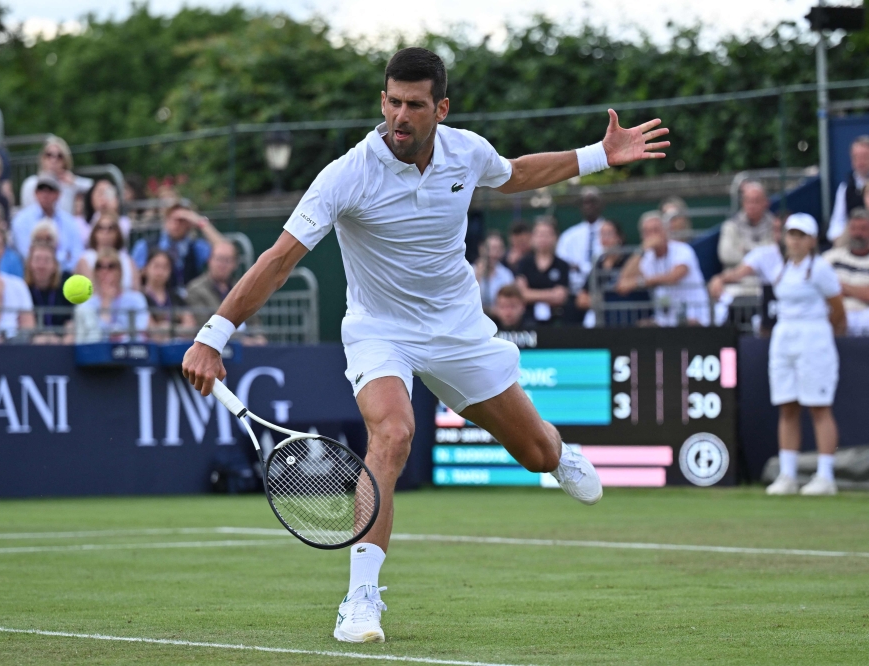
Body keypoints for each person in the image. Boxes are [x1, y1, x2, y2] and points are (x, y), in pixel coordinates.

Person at [181, 47, 668, 643]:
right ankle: (360, 599)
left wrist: (598, 155)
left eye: (414, 105)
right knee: (392, 434)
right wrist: (213, 334)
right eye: (392, 102)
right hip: (379, 330)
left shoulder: (468, 151)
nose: (400, 117)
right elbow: (279, 260)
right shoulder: (346, 174)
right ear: (381, 101)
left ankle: (557, 453)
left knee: (538, 454)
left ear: (440, 107)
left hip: (459, 331)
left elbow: (515, 174)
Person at [763, 214, 847, 496]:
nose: (795, 240)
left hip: (814, 337)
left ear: (812, 241)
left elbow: (838, 309)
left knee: (819, 406)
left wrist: (826, 334)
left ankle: (825, 477)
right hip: (784, 337)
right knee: (787, 406)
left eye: (801, 235)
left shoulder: (821, 269)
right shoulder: (779, 267)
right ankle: (788, 475)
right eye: (791, 234)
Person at [616, 210, 710, 326]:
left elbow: (673, 277)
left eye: (656, 230)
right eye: (647, 232)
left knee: (686, 325)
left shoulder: (683, 250)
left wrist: (641, 282)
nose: (652, 236)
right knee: (642, 326)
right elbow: (622, 284)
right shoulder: (646, 257)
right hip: (664, 321)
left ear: (666, 231)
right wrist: (641, 250)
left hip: (693, 316)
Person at [709, 215, 785, 332]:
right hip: (772, 311)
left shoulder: (813, 264)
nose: (779, 235)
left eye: (783, 230)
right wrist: (719, 279)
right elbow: (737, 273)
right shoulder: (763, 254)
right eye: (775, 230)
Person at [131, 202, 224, 297]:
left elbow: (224, 249)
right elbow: (135, 277)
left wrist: (199, 221)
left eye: (182, 220)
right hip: (156, 300)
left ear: (189, 223)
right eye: (172, 219)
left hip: (190, 300)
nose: (176, 224)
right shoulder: (145, 245)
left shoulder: (195, 246)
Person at [185, 240, 266, 344]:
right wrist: (240, 340)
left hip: (249, 346)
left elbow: (254, 320)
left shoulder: (242, 288)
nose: (222, 265)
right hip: (215, 346)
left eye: (228, 260)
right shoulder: (195, 289)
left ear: (235, 264)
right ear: (209, 260)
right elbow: (205, 324)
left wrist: (259, 337)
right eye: (219, 259)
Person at [11, 172, 85, 272]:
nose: (45, 194)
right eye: (41, 189)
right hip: (32, 274)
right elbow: (26, 254)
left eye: (50, 190)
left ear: (58, 194)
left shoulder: (69, 221)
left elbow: (77, 254)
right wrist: (63, 257)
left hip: (65, 274)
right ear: (35, 193)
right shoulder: (21, 220)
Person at [74, 247, 149, 343]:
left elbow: (140, 335)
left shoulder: (136, 299)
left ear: (120, 271)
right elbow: (91, 342)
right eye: (99, 266)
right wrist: (106, 304)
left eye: (111, 266)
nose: (104, 271)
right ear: (95, 272)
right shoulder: (85, 306)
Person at [575, 219, 634, 327]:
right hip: (605, 323)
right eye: (602, 235)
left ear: (619, 237)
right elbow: (582, 298)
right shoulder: (598, 263)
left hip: (630, 320)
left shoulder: (630, 260)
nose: (605, 239)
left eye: (609, 234)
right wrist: (601, 303)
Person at [822, 208, 869, 336]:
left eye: (863, 229)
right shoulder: (831, 257)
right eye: (854, 228)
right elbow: (820, 289)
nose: (858, 234)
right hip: (835, 314)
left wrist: (842, 287)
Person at [514, 218, 570, 323]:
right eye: (539, 234)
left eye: (547, 234)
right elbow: (521, 294)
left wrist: (532, 293)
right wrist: (551, 294)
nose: (543, 238)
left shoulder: (562, 265)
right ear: (533, 238)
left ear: (555, 238)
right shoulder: (524, 263)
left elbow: (560, 297)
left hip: (556, 319)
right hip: (527, 319)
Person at [18, 137, 92, 214]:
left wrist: (75, 181)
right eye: (49, 155)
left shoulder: (68, 184)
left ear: (65, 160)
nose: (54, 160)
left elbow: (95, 188)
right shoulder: (31, 183)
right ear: (42, 158)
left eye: (59, 156)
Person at [557, 186, 607, 292]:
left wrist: (580, 268)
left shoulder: (610, 232)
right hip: (574, 291)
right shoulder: (569, 235)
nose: (588, 206)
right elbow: (561, 261)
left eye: (593, 201)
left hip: (603, 289)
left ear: (601, 204)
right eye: (584, 202)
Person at [718, 181, 776, 269]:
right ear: (743, 203)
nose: (752, 205)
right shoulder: (730, 226)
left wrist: (744, 249)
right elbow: (726, 255)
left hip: (767, 277)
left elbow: (776, 253)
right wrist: (760, 253)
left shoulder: (775, 224)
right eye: (748, 201)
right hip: (736, 277)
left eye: (756, 201)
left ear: (766, 202)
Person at [74, 213, 139, 291]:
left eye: (110, 228)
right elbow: (92, 290)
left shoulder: (128, 261)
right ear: (94, 233)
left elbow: (137, 291)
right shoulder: (85, 259)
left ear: (117, 233)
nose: (105, 233)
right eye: (100, 228)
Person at [140, 248, 194, 341]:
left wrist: (166, 327)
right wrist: (178, 328)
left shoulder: (176, 297)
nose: (160, 271)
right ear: (145, 268)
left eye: (165, 267)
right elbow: (153, 332)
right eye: (156, 266)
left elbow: (191, 328)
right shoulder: (139, 297)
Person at [25, 242, 74, 343]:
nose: (41, 265)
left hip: (62, 343)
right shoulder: (23, 289)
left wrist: (63, 341)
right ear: (29, 264)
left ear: (55, 265)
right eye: (37, 260)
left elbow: (72, 320)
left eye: (47, 260)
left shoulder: (66, 286)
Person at [827, 136, 869, 243]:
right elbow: (837, 221)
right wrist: (838, 239)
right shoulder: (845, 188)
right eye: (856, 157)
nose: (860, 162)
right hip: (853, 242)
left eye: (865, 157)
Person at [473, 231, 515, 311]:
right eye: (491, 248)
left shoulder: (506, 275)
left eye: (498, 249)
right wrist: (478, 276)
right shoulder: (470, 271)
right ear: (481, 248)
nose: (493, 253)